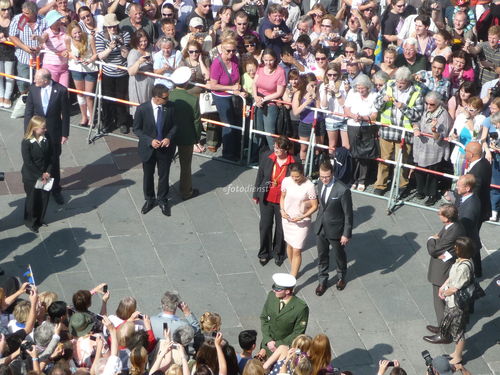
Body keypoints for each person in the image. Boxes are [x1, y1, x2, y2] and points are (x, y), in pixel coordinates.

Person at [373, 66, 424, 198]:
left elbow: (418, 115)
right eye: (397, 82)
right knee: (384, 160)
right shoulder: (389, 85)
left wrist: (404, 107)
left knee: (402, 162)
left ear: (408, 81)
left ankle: (402, 185)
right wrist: (383, 100)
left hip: (404, 133)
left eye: (402, 83)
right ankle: (380, 184)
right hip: (387, 130)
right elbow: (376, 105)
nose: (399, 85)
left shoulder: (416, 92)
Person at [424, 237, 475, 365]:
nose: (454, 248)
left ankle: (458, 356)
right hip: (452, 302)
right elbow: (451, 277)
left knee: (458, 332)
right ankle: (455, 353)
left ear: (461, 250)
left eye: (456, 247)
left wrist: (445, 293)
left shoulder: (464, 267)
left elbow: (455, 287)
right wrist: (443, 286)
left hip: (457, 304)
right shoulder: (461, 260)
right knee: (454, 328)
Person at [24, 68, 70, 206]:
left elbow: (65, 114)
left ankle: (56, 189)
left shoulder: (60, 90)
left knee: (54, 161)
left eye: (37, 79)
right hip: (37, 132)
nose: (34, 81)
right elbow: (29, 112)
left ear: (45, 80)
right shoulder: (33, 89)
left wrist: (64, 133)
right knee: (39, 160)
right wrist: (27, 132)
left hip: (54, 131)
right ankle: (41, 187)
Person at [132, 84, 177, 217]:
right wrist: (149, 140)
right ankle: (149, 199)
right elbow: (137, 129)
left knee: (164, 175)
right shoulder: (142, 109)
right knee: (148, 175)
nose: (167, 99)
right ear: (156, 98)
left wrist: (168, 138)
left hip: (165, 148)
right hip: (148, 148)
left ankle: (162, 199)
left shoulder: (171, 107)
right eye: (165, 97)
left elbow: (175, 125)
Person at [253, 136, 299, 266]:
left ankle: (279, 253)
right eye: (275, 147)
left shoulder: (294, 162)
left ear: (286, 150)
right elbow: (260, 176)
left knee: (281, 228)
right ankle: (264, 253)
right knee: (265, 226)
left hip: (284, 201)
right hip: (266, 198)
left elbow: (298, 182)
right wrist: (256, 194)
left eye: (278, 148)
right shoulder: (267, 157)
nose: (275, 149)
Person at [425, 204, 466, 338]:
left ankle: (444, 332)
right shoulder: (453, 225)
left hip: (442, 269)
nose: (438, 215)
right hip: (444, 262)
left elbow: (433, 250)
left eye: (440, 214)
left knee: (440, 300)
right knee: (439, 300)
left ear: (447, 218)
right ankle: (442, 326)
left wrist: (430, 239)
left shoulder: (453, 230)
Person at [314, 161, 353, 296]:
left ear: (333, 174)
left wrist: (346, 234)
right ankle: (322, 280)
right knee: (322, 255)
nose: (324, 179)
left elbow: (348, 214)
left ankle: (341, 277)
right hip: (321, 227)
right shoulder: (319, 183)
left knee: (339, 255)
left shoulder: (342, 190)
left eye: (327, 177)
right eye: (322, 176)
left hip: (336, 229)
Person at [412, 91, 453, 206]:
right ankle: (420, 190)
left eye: (432, 104)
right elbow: (418, 122)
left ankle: (432, 195)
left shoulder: (443, 115)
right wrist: (416, 128)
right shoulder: (426, 111)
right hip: (422, 147)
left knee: (433, 174)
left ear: (438, 104)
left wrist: (434, 130)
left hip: (434, 149)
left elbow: (441, 137)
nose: (428, 106)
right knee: (419, 170)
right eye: (427, 103)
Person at [95, 13, 132, 134]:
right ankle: (107, 123)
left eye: (115, 26)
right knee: (106, 99)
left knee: (121, 99)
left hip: (122, 73)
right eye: (110, 27)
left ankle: (122, 122)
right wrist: (110, 48)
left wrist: (121, 44)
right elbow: (101, 56)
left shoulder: (125, 34)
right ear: (106, 27)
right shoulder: (100, 36)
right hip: (107, 73)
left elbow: (126, 55)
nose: (113, 29)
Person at [280, 163, 318, 278]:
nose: (295, 179)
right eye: (293, 176)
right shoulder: (286, 181)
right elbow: (282, 197)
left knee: (297, 249)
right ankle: (294, 267)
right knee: (290, 245)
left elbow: (314, 206)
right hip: (287, 219)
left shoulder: (309, 186)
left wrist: (302, 216)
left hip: (301, 222)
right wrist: (282, 210)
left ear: (302, 173)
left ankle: (293, 275)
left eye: (297, 176)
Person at [169, 69, 201, 201]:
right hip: (187, 136)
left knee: (164, 164)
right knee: (186, 165)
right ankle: (186, 191)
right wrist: (197, 138)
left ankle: (163, 190)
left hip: (168, 136)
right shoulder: (193, 99)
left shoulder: (168, 96)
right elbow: (197, 121)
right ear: (187, 82)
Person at [343, 74, 378, 192]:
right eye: (358, 88)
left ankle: (362, 180)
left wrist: (362, 118)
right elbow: (346, 109)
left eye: (362, 88)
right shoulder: (352, 93)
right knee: (354, 153)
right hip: (353, 125)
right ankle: (353, 179)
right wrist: (354, 116)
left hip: (367, 127)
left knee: (364, 154)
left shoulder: (374, 95)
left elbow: (374, 115)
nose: (360, 90)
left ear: (368, 87)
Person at [259, 273, 309, 356]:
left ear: (287, 291)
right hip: (267, 344)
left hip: (283, 349)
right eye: (274, 287)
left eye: (278, 289)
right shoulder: (271, 296)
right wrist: (268, 340)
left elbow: (298, 332)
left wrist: (277, 344)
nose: (274, 290)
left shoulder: (300, 308)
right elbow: (264, 317)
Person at [209, 38, 242, 161]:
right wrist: (231, 88)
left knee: (236, 123)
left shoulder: (234, 59)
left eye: (233, 50)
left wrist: (237, 86)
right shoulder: (217, 63)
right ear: (222, 49)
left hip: (233, 95)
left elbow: (237, 76)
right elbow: (213, 85)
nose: (231, 53)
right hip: (221, 96)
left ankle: (236, 151)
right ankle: (227, 153)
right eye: (228, 51)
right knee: (227, 124)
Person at [21, 116, 53, 233]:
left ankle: (40, 219)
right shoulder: (26, 142)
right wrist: (41, 175)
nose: (45, 130)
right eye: (43, 128)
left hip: (45, 175)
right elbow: (28, 162)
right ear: (34, 128)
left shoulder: (46, 138)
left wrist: (48, 171)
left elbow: (50, 157)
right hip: (31, 176)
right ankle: (30, 221)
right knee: (32, 199)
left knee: (44, 198)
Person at [8, 2, 46, 93]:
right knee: (23, 80)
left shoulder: (43, 20)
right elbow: (12, 36)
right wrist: (25, 47)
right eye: (23, 12)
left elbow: (46, 37)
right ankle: (24, 96)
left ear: (34, 13)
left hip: (40, 58)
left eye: (27, 13)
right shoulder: (19, 19)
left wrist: (40, 47)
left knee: (39, 81)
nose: (24, 15)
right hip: (23, 57)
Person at [253, 48, 286, 151]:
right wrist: (256, 97)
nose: (268, 63)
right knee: (258, 130)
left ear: (275, 59)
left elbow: (279, 92)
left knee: (269, 132)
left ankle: (275, 154)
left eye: (270, 60)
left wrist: (264, 99)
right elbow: (254, 83)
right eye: (266, 60)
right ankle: (256, 154)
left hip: (271, 103)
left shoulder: (280, 71)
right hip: (258, 101)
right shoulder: (260, 67)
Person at [66, 21, 98, 127]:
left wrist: (89, 60)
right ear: (70, 34)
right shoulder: (68, 39)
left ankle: (91, 118)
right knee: (80, 93)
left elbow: (95, 54)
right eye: (75, 33)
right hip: (76, 68)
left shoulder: (89, 38)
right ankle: (84, 116)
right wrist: (73, 57)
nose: (77, 35)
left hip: (90, 69)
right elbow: (68, 52)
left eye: (79, 32)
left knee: (89, 95)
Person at [454, 174, 482, 279]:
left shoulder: (471, 206)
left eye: (459, 186)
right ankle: (478, 271)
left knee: (471, 252)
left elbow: (465, 227)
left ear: (467, 188)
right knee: (474, 252)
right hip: (471, 235)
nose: (456, 188)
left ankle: (475, 273)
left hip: (467, 236)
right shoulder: (465, 196)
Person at [127, 29, 154, 116]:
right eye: (140, 41)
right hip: (139, 85)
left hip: (150, 84)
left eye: (145, 40)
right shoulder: (133, 53)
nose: (143, 43)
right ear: (136, 41)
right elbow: (131, 72)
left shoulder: (150, 48)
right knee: (140, 109)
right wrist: (139, 62)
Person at [0, 0, 15, 108]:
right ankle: (1, 96)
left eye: (8, 9)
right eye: (3, 9)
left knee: (9, 76)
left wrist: (9, 38)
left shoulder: (14, 19)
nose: (6, 12)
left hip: (10, 52)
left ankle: (7, 97)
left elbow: (18, 36)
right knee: (0, 75)